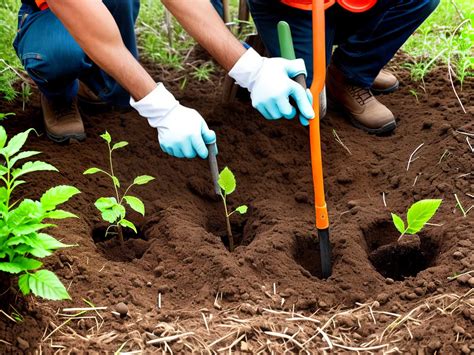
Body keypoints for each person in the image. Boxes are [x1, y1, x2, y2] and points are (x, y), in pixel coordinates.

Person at [13, 0, 438, 158]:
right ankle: (61, 88)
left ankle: (103, 86)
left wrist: (250, 68)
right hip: (61, 10)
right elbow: (88, 21)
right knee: (67, 53)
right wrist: (160, 106)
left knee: (111, 78)